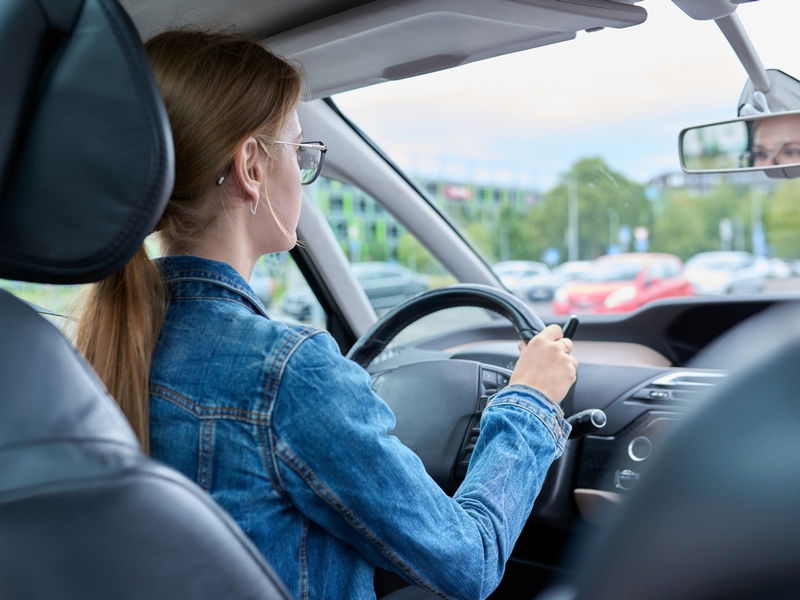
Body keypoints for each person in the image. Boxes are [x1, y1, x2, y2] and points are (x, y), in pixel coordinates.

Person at [74, 30, 577, 600]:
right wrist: (530, 403)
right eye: (300, 151)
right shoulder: (288, 373)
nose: (305, 171)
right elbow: (470, 560)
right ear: (252, 168)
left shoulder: (92, 349)